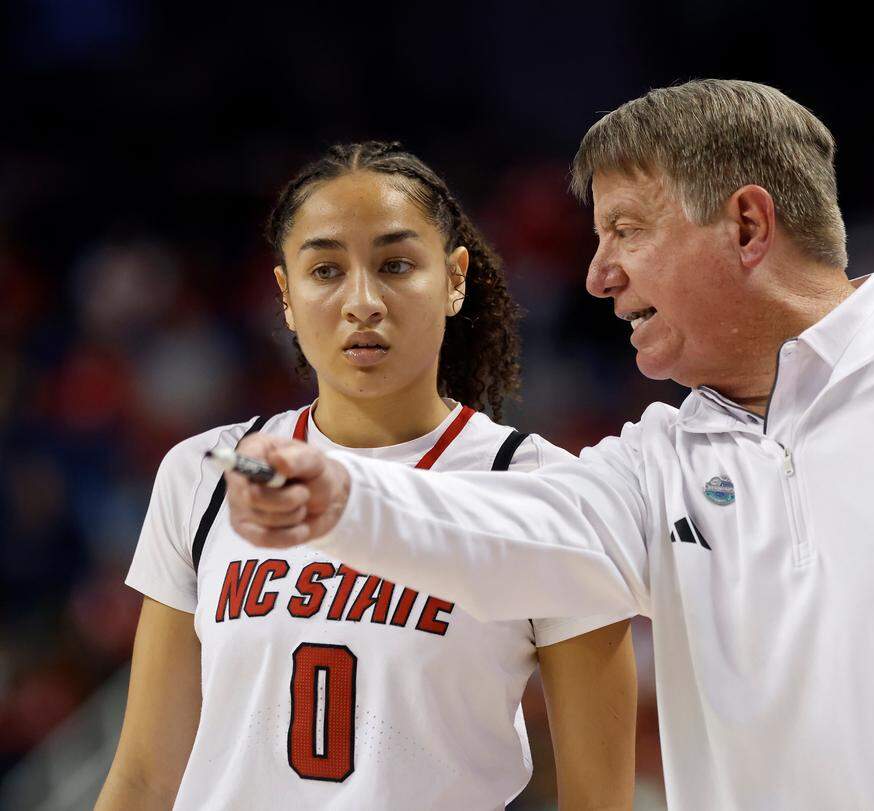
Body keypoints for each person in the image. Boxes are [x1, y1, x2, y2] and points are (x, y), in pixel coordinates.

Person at [228, 82, 874, 810]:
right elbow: (504, 535)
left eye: (626, 228)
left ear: (747, 225)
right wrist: (343, 497)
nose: (597, 274)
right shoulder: (657, 463)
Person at [96, 141, 637, 810]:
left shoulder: (547, 493)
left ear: (455, 278)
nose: (362, 301)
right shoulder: (205, 473)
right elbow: (145, 777)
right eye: (325, 269)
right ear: (285, 296)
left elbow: (600, 800)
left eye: (396, 264)